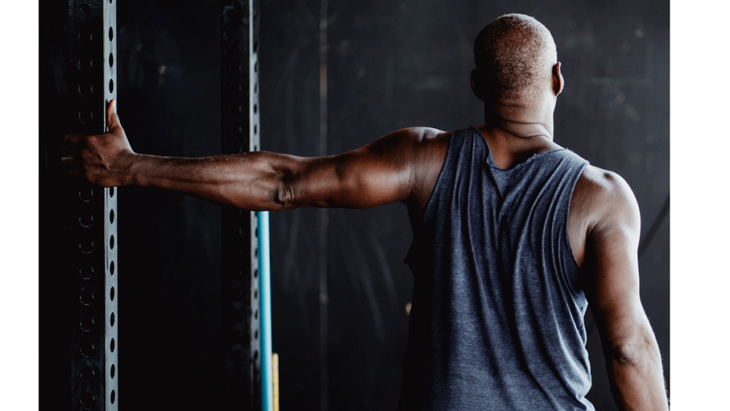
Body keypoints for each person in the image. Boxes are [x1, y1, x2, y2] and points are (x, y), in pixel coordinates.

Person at [62, 13, 668, 411]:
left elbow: (284, 183)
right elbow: (627, 348)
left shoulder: (423, 160)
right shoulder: (601, 196)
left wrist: (129, 167)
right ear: (558, 79)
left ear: (476, 82)